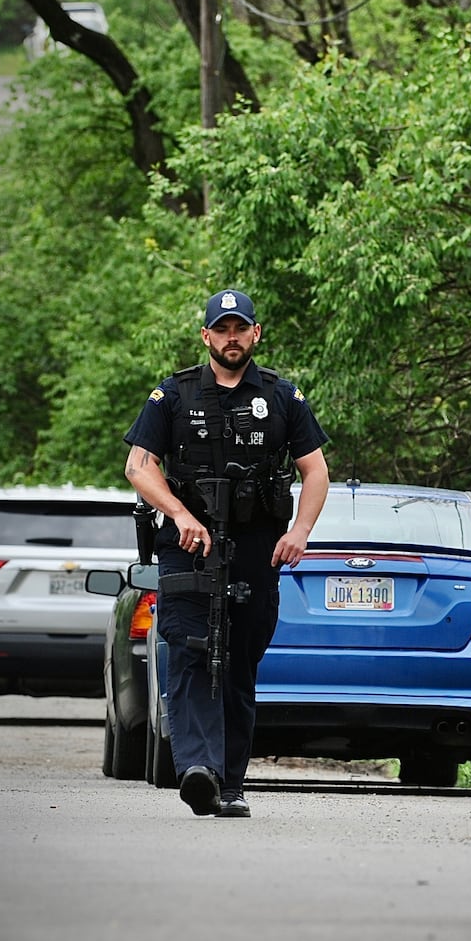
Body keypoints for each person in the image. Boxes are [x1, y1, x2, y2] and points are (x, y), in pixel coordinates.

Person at [123, 288, 330, 818]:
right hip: (190, 545)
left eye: (241, 329)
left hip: (258, 546)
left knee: (239, 663)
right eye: (223, 329)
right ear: (207, 336)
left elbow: (315, 470)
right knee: (192, 651)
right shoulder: (171, 396)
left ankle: (229, 782)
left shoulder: (283, 397)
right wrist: (179, 513)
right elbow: (139, 466)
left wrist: (300, 532)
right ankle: (197, 769)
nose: (232, 337)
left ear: (255, 334)